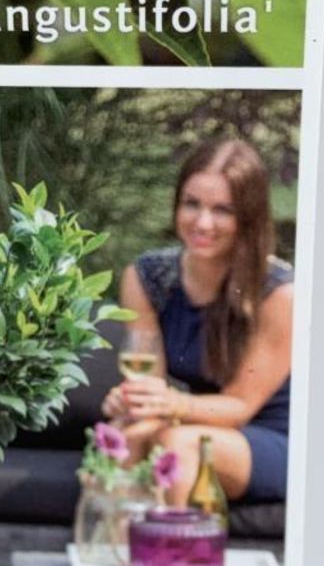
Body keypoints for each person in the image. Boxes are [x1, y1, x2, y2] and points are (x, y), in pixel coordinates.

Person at [103, 138, 292, 507]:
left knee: (180, 444)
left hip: (269, 435)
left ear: (248, 218)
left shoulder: (279, 293)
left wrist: (169, 405)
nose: (203, 222)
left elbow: (240, 405)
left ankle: (173, 555)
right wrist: (133, 403)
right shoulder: (147, 278)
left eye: (223, 210)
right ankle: (110, 552)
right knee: (125, 433)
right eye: (192, 204)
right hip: (199, 422)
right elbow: (149, 382)